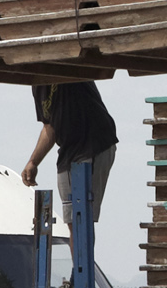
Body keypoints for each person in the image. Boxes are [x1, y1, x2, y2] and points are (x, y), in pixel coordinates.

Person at [21, 78, 119, 253]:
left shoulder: (67, 68)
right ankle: (79, 272)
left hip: (94, 143)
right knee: (73, 220)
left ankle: (80, 274)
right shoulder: (37, 85)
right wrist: (33, 161)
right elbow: (49, 128)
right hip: (68, 151)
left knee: (81, 217)